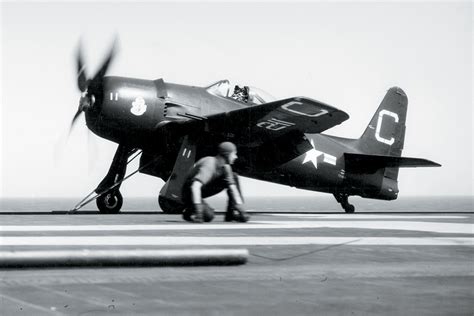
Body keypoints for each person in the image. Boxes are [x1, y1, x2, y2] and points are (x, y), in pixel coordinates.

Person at [181, 142, 250, 223]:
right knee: (208, 216)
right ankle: (190, 210)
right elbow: (195, 186)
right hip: (189, 192)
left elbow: (233, 188)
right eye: (234, 154)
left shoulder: (226, 167)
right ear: (227, 155)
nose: (236, 157)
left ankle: (231, 215)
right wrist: (199, 211)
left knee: (234, 177)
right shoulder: (210, 164)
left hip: (203, 187)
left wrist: (241, 209)